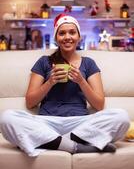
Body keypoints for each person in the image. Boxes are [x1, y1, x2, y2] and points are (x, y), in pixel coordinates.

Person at [0, 14, 130, 157]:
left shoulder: (89, 63)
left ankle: (52, 142)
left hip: (79, 124)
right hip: (47, 123)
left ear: (79, 37)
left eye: (72, 32)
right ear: (56, 38)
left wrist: (81, 81)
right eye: (62, 33)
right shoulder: (44, 62)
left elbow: (99, 105)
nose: (67, 37)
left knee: (121, 117)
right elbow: (30, 102)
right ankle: (77, 146)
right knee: (7, 118)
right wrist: (50, 82)